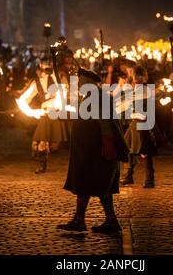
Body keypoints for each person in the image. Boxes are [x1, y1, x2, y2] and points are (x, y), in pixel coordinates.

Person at [58, 68, 129, 232]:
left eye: (81, 80)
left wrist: (108, 143)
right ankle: (106, 220)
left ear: (88, 81)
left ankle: (81, 220)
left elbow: (104, 122)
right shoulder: (93, 96)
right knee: (97, 184)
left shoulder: (96, 97)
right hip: (88, 149)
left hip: (94, 150)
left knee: (89, 182)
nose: (79, 84)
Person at [22, 57, 68, 174]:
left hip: (57, 112)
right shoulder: (36, 82)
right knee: (42, 141)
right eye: (44, 65)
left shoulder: (59, 77)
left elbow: (66, 91)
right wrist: (23, 106)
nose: (46, 67)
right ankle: (42, 165)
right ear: (40, 66)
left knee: (63, 142)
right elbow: (25, 99)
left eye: (48, 64)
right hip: (45, 113)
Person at [120, 66, 158, 188]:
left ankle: (149, 179)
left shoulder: (146, 89)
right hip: (134, 123)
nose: (136, 78)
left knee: (145, 151)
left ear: (144, 77)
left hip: (143, 122)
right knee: (128, 149)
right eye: (135, 76)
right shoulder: (135, 88)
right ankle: (128, 176)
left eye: (138, 76)